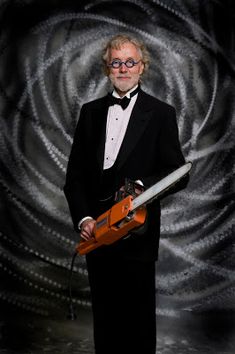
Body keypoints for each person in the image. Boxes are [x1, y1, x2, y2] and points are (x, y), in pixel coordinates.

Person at [64, 34, 189, 354]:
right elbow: (75, 176)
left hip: (138, 231)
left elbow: (176, 173)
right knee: (105, 320)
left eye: (130, 62)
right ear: (107, 68)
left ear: (142, 67)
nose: (123, 68)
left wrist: (141, 189)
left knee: (137, 322)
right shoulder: (90, 112)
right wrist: (85, 218)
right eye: (116, 62)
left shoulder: (161, 113)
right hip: (97, 232)